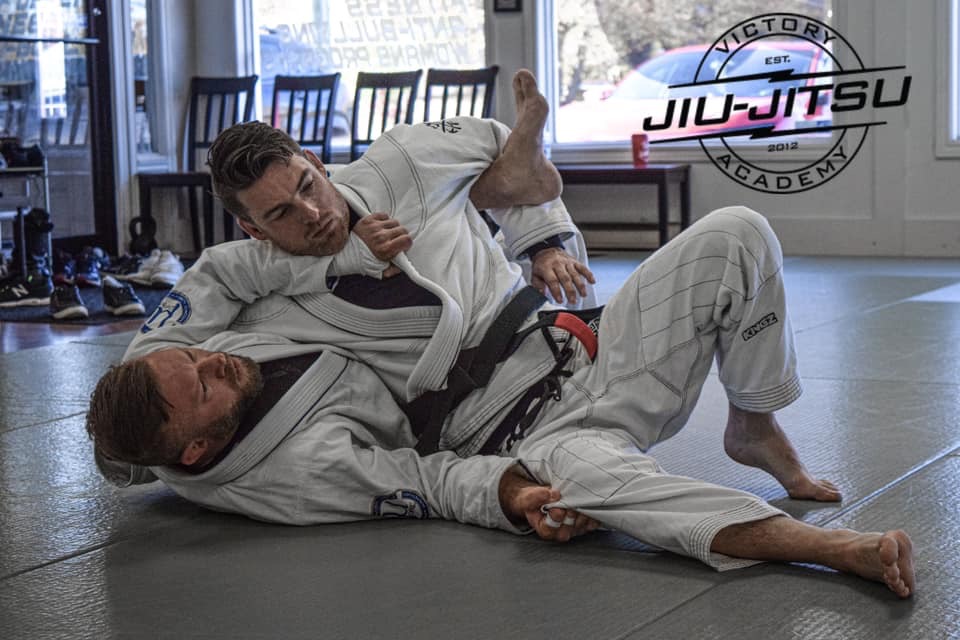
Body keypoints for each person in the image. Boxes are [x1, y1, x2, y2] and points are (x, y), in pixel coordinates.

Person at [87, 71, 915, 598]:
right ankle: (826, 547)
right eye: (281, 212)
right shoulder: (255, 305)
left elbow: (504, 160)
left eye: (308, 183)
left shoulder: (399, 161)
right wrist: (513, 495)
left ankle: (753, 421)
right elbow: (152, 365)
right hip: (520, 434)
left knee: (736, 231)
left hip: (586, 344)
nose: (311, 211)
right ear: (249, 228)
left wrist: (543, 240)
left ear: (313, 157)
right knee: (606, 495)